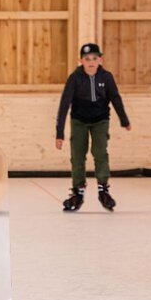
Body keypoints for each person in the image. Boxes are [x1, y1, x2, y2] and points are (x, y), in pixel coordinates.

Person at [55, 42, 131, 212]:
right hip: (79, 121)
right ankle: (78, 191)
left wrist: (124, 120)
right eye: (87, 59)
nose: (91, 62)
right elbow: (64, 104)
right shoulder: (75, 78)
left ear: (100, 60)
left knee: (100, 152)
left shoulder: (106, 77)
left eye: (94, 58)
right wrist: (59, 133)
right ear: (81, 60)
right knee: (77, 155)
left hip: (100, 120)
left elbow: (115, 98)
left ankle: (103, 189)